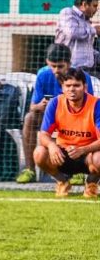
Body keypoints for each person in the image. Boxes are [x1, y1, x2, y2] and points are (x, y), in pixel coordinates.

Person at [16, 43, 94, 183]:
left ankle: (80, 170)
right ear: (47, 62)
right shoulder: (43, 74)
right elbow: (32, 107)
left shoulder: (82, 77)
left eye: (60, 66)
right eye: (53, 66)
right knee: (29, 118)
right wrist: (40, 106)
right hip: (52, 118)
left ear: (69, 63)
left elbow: (90, 108)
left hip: (77, 119)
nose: (56, 70)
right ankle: (29, 169)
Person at [34, 67, 100, 198]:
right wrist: (52, 146)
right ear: (62, 88)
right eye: (68, 86)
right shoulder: (55, 103)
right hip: (63, 154)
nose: (72, 89)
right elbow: (43, 134)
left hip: (88, 155)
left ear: (84, 86)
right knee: (39, 153)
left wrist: (83, 150)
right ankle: (62, 182)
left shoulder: (96, 105)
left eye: (76, 85)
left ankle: (92, 183)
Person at [55, 0, 100, 73]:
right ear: (84, 4)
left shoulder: (87, 21)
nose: (96, 9)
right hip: (69, 69)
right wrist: (94, 30)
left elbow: (85, 49)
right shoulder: (67, 12)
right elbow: (72, 32)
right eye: (94, 6)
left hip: (87, 70)